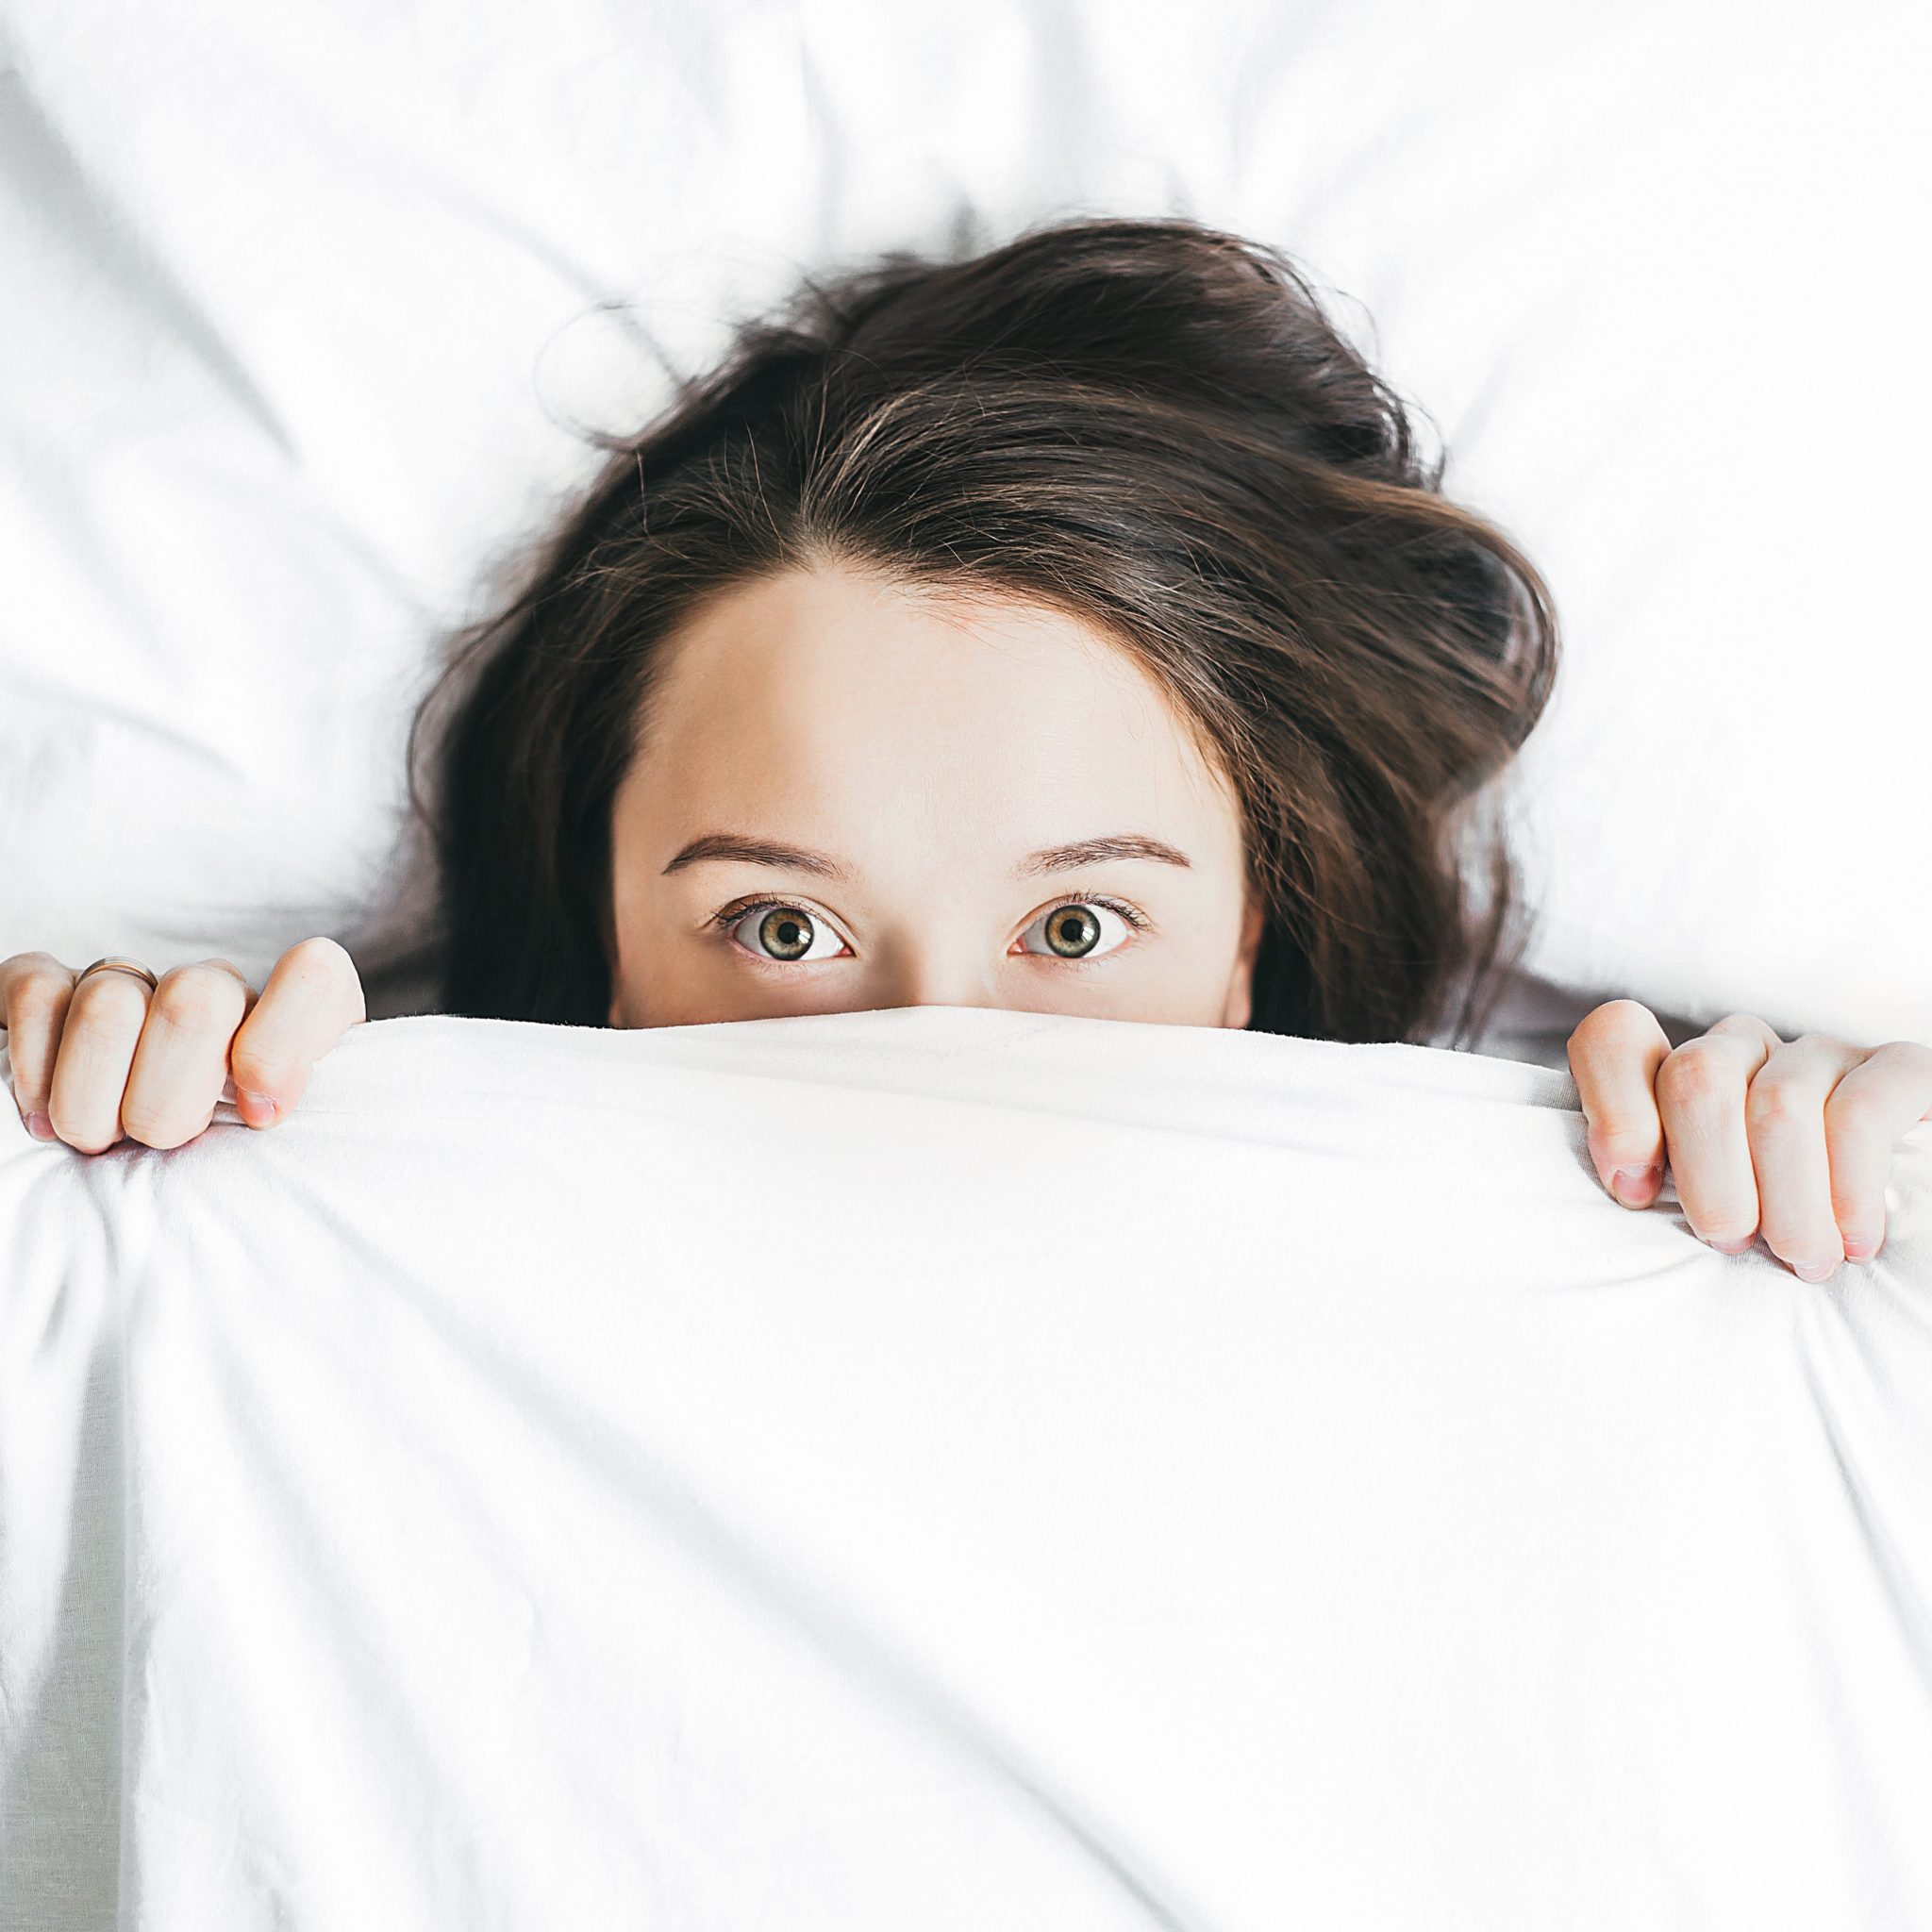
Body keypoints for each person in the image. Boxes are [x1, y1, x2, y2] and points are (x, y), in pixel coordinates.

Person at [3, 216, 1924, 1282]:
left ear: (1261, 931)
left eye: (1077, 930)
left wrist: (1851, 1177)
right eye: (778, 926)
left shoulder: (1577, 1254)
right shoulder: (333, 1241)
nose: (930, 1059)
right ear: (594, 923)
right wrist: (78, 1122)